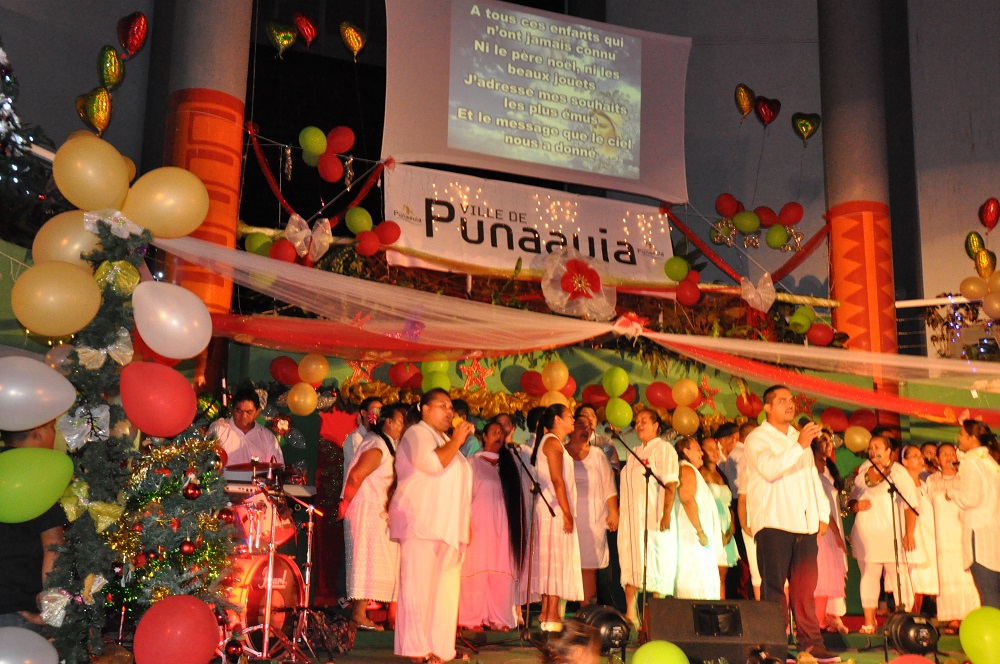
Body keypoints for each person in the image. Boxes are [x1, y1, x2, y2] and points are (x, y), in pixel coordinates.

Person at [744, 386, 835, 661]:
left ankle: (811, 644)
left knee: (805, 589)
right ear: (767, 408)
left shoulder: (799, 437)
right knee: (773, 589)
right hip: (773, 522)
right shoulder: (757, 439)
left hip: (804, 524)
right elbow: (770, 470)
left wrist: (822, 514)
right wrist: (799, 447)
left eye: (791, 400)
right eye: (781, 400)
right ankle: (773, 645)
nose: (789, 404)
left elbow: (811, 478)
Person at [389, 389, 474, 664]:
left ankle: (440, 648)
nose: (449, 412)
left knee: (444, 594)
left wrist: (465, 524)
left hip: (447, 527)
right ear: (424, 408)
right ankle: (416, 651)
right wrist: (458, 440)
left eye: (451, 407)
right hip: (420, 522)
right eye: (442, 406)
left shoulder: (445, 439)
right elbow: (431, 464)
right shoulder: (417, 433)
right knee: (418, 590)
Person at [338, 403, 407, 631]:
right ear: (388, 422)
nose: (403, 426)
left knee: (372, 563)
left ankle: (365, 614)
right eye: (400, 421)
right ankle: (358, 614)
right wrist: (345, 504)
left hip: (377, 512)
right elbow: (356, 476)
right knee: (364, 562)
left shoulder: (387, 444)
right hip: (366, 512)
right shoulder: (377, 445)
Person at [847, 435, 918, 633]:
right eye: (870, 447)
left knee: (899, 577)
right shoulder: (863, 470)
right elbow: (851, 502)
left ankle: (905, 622)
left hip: (892, 534)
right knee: (868, 575)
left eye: (877, 447)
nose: (872, 450)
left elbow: (910, 503)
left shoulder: (898, 472)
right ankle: (869, 622)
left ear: (889, 451)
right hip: (867, 534)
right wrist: (856, 505)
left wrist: (909, 533)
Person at [458, 421, 525, 631]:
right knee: (476, 568)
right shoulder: (471, 463)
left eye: (502, 433)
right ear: (484, 436)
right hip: (478, 524)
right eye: (494, 432)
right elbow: (462, 497)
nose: (499, 435)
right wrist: (465, 524)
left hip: (503, 527)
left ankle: (499, 618)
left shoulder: (510, 465)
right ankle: (471, 619)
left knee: (501, 569)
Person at [0, 421, 66, 632]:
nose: (54, 434)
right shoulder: (38, 477)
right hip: (17, 610)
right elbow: (53, 546)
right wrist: (51, 612)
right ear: (37, 434)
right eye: (52, 428)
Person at [617, 408, 678, 629]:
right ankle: (631, 614)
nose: (639, 425)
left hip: (654, 517)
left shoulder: (664, 449)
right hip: (632, 520)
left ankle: (654, 618)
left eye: (644, 421)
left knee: (655, 562)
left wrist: (666, 513)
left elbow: (671, 482)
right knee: (631, 561)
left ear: (656, 426)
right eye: (637, 422)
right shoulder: (632, 452)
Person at [529, 403, 584, 632]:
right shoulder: (552, 442)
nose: (574, 420)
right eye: (569, 416)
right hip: (554, 511)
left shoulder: (554, 442)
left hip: (551, 509)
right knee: (555, 562)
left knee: (552, 561)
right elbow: (557, 479)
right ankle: (551, 614)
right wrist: (567, 512)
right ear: (557, 420)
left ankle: (547, 612)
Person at [926, 442, 980, 632]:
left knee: (967, 576)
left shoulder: (965, 479)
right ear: (937, 459)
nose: (949, 457)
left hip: (963, 535)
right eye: (944, 454)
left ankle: (971, 617)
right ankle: (952, 618)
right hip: (941, 537)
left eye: (952, 454)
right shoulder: (931, 481)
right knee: (946, 575)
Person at [565, 416, 619, 604]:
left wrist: (614, 511)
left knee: (588, 566)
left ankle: (587, 612)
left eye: (589, 427)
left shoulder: (597, 454)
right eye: (581, 425)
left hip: (592, 517)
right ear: (570, 428)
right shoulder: (561, 452)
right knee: (563, 565)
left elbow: (608, 485)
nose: (586, 429)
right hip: (567, 516)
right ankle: (559, 613)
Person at [948, 420, 1000, 608]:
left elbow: (970, 498)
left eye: (962, 434)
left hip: (979, 534)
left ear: (973, 438)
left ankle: (994, 635)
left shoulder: (972, 462)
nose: (959, 438)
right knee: (994, 591)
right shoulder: (991, 461)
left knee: (988, 594)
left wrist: (951, 492)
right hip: (993, 533)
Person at [675, 436, 722, 600]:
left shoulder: (690, 469)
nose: (701, 453)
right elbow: (687, 498)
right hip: (693, 538)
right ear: (686, 451)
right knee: (695, 580)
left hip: (698, 538)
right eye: (697, 449)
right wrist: (700, 530)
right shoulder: (686, 469)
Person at [811, 430, 848, 635]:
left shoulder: (826, 475)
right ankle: (818, 620)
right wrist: (836, 534)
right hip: (823, 530)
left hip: (831, 530)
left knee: (829, 575)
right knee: (822, 576)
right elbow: (824, 509)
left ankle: (827, 617)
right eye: (822, 440)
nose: (828, 444)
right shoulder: (812, 476)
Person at [209, 387, 283, 480]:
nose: (243, 416)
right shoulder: (219, 430)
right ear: (232, 409)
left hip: (258, 491)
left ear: (257, 412)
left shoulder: (267, 437)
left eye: (249, 412)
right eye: (239, 411)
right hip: (223, 490)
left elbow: (278, 469)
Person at [901, 444, 938, 615]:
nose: (920, 459)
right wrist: (909, 534)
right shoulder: (902, 484)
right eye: (914, 456)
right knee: (912, 580)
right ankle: (909, 618)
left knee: (922, 582)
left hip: (927, 538)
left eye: (920, 456)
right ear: (904, 461)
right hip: (912, 537)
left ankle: (916, 618)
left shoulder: (924, 485)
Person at [700, 437, 736, 597]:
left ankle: (721, 610)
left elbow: (729, 505)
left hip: (726, 528)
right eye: (709, 448)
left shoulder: (721, 473)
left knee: (722, 575)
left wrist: (731, 529)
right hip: (711, 527)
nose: (715, 452)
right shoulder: (701, 473)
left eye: (716, 448)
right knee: (710, 573)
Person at [343, 397, 383, 488]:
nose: (378, 414)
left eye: (381, 410)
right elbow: (357, 469)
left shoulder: (379, 437)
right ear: (363, 413)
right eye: (375, 410)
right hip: (356, 494)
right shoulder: (356, 437)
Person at [574, 404, 620, 477]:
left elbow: (614, 468)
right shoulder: (568, 442)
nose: (590, 418)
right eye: (585, 415)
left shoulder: (605, 442)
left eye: (593, 415)